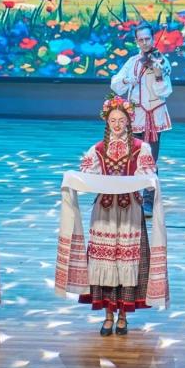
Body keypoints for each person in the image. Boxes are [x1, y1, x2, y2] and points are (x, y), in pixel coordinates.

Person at [76, 95, 159, 336]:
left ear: (129, 122)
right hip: (104, 211)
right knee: (105, 263)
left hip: (129, 209)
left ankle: (123, 316)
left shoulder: (141, 147)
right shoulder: (98, 149)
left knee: (126, 262)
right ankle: (108, 315)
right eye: (113, 120)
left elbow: (148, 177)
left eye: (121, 120)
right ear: (107, 122)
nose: (117, 125)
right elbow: (86, 176)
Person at [110, 23, 172, 216]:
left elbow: (165, 91)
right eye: (141, 40)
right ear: (136, 41)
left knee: (149, 159)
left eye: (148, 39)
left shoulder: (161, 61)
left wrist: (159, 75)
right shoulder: (133, 62)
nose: (145, 43)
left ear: (153, 39)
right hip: (136, 116)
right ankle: (131, 196)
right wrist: (128, 80)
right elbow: (115, 85)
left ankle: (148, 201)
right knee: (132, 157)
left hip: (153, 117)